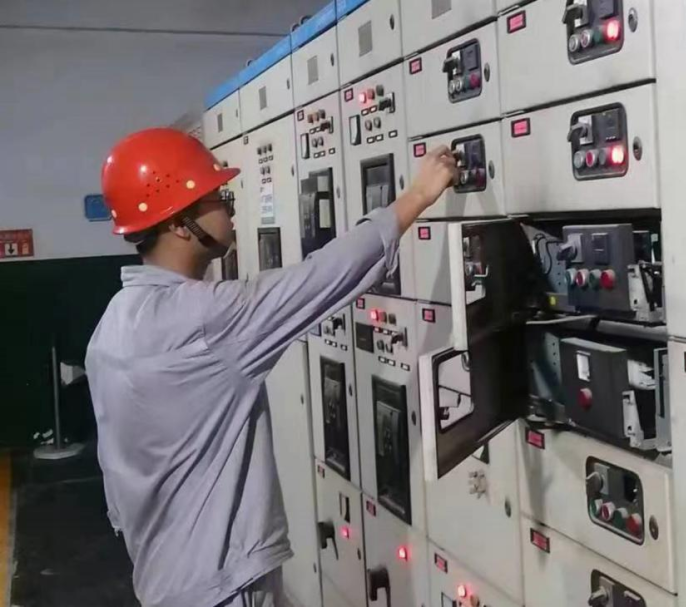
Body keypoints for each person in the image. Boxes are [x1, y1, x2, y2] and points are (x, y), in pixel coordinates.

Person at [85, 128, 457, 607]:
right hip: (223, 585)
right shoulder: (205, 320)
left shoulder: (112, 325)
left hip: (162, 578)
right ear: (180, 223)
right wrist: (417, 195)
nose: (230, 210)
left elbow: (115, 476)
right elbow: (321, 277)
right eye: (218, 198)